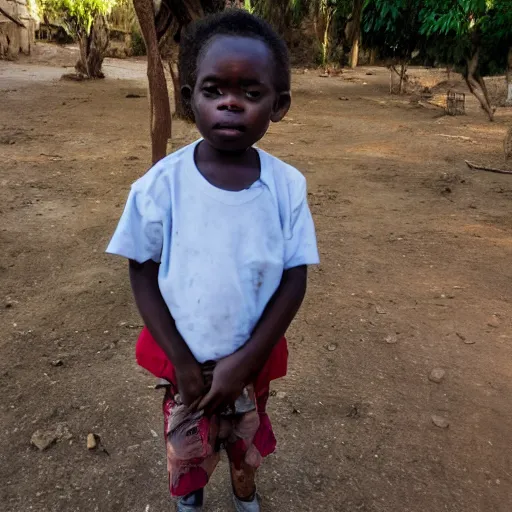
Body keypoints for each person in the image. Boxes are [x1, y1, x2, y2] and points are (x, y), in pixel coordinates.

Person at [106, 9, 319, 512]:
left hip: (253, 360)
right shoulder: (161, 186)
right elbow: (141, 268)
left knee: (245, 445)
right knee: (188, 451)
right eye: (213, 90)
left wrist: (245, 362)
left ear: (279, 105)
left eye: (250, 93)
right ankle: (190, 501)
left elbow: (294, 279)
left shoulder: (286, 187)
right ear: (189, 99)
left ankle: (245, 494)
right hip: (184, 366)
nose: (229, 102)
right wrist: (181, 361)